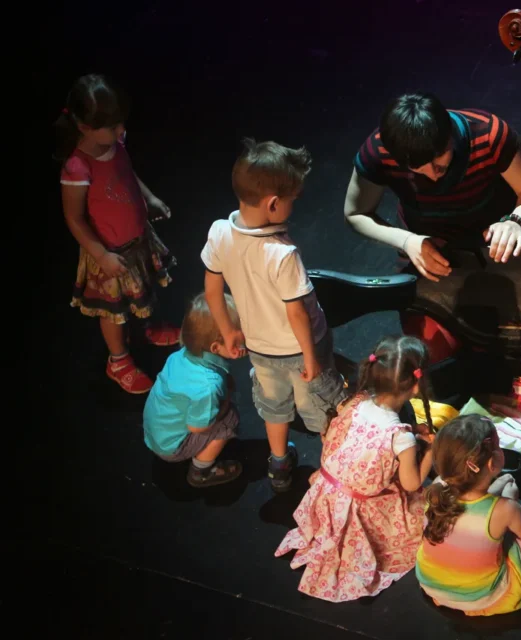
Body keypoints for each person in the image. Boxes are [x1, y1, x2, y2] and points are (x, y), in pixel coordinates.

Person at [344, 93, 521, 360]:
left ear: (451, 136)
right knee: (431, 354)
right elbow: (355, 213)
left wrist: (515, 221)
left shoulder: (489, 134)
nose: (431, 175)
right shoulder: (379, 150)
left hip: (494, 245)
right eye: (419, 169)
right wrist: (407, 241)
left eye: (439, 164)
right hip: (428, 251)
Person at [201, 139, 347, 493]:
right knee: (321, 408)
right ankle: (336, 473)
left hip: (260, 349)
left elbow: (211, 291)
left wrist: (228, 330)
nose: (294, 206)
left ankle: (279, 463)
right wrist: (311, 357)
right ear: (273, 204)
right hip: (300, 350)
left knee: (274, 406)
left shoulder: (220, 232)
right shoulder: (282, 254)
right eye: (292, 201)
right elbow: (296, 313)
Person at [275, 335, 436, 602]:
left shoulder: (354, 403)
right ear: (416, 386)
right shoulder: (401, 438)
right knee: (419, 511)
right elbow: (411, 483)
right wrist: (431, 450)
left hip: (326, 494)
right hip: (356, 508)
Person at [57, 73, 179, 395]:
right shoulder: (77, 167)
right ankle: (118, 359)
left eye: (121, 123)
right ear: (84, 127)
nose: (121, 131)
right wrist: (101, 255)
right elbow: (74, 217)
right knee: (114, 311)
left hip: (138, 241)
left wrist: (149, 199)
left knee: (142, 291)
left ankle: (147, 328)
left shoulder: (116, 143)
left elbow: (128, 174)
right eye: (112, 126)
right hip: (110, 254)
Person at [415, 414, 521, 616]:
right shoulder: (504, 509)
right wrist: (511, 501)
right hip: (480, 597)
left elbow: (468, 511)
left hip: (431, 583)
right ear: (491, 463)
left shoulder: (435, 490)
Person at [142, 293, 243, 488]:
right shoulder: (207, 387)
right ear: (215, 346)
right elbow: (198, 427)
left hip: (156, 433)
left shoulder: (179, 356)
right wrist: (226, 403)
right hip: (171, 448)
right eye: (237, 334)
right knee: (229, 420)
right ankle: (201, 471)